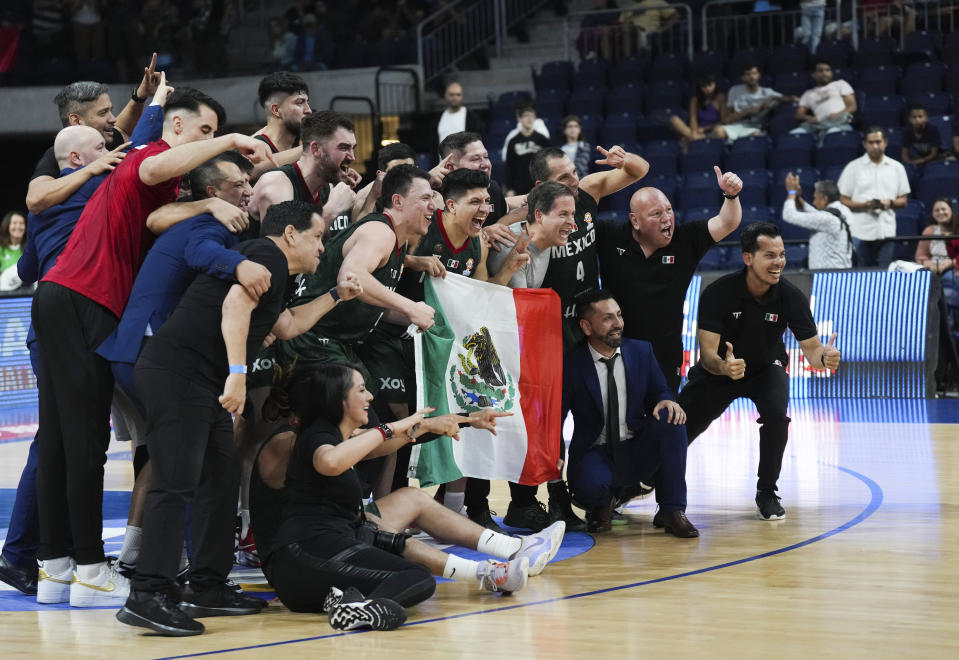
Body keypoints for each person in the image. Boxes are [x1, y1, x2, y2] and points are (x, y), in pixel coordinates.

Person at [32, 85, 275, 608]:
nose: (211, 143)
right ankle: (93, 569)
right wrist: (229, 139)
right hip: (85, 298)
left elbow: (158, 211)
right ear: (179, 128)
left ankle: (55, 568)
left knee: (59, 440)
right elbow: (154, 166)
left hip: (62, 296)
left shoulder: (156, 174)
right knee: (85, 443)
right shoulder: (149, 158)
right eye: (205, 131)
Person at [116, 201, 361, 636]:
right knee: (175, 482)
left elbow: (285, 325)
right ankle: (147, 593)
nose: (323, 246)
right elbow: (234, 308)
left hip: (197, 378)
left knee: (221, 475)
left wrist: (336, 295)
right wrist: (237, 375)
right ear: (290, 235)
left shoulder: (277, 273)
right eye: (318, 236)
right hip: (180, 373)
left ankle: (206, 585)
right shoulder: (266, 255)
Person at [254, 364, 565, 631]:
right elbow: (333, 460)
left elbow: (376, 445)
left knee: (398, 542)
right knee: (414, 575)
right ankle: (356, 606)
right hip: (296, 555)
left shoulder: (332, 435)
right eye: (362, 390)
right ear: (338, 399)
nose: (370, 398)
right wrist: (392, 428)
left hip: (330, 539)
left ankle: (492, 568)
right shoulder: (302, 440)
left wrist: (459, 419)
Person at [95, 152, 265, 577]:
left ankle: (153, 558)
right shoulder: (208, 225)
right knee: (187, 457)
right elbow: (200, 250)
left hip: (141, 352)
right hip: (148, 351)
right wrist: (240, 264)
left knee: (175, 454)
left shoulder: (198, 217)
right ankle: (164, 567)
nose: (247, 189)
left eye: (249, 182)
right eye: (238, 185)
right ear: (212, 192)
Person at [678, 222, 841, 521]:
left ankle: (766, 491)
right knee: (678, 427)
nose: (778, 261)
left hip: (767, 367)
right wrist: (724, 367)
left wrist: (825, 358)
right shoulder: (718, 292)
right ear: (748, 258)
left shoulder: (790, 296)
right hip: (722, 371)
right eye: (769, 255)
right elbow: (708, 354)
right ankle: (645, 481)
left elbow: (813, 350)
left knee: (777, 417)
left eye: (781, 254)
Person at [272, 164, 437, 380]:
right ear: (398, 201)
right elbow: (351, 278)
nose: (433, 206)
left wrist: (411, 316)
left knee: (366, 404)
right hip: (311, 340)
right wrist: (410, 307)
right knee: (359, 408)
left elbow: (369, 301)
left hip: (329, 342)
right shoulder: (380, 232)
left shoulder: (397, 239)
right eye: (425, 198)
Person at [563, 290, 697, 536]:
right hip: (596, 450)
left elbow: (660, 390)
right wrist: (554, 456)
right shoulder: (571, 363)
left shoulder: (641, 351)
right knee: (588, 485)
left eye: (619, 315)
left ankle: (672, 510)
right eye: (607, 318)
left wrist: (666, 400)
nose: (618, 324)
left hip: (636, 447)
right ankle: (601, 504)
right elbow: (556, 415)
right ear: (586, 326)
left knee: (673, 419)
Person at [26, 53, 163, 214]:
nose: (112, 119)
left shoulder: (107, 139)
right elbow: (35, 200)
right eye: (103, 113)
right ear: (76, 121)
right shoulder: (55, 155)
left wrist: (140, 95)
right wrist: (92, 168)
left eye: (110, 111)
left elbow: (122, 129)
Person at [250, 110, 359, 239]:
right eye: (344, 148)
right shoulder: (276, 185)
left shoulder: (327, 187)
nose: (352, 157)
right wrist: (331, 211)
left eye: (353, 148)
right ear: (316, 149)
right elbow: (285, 250)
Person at [837, 127, 910, 268]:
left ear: (885, 142)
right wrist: (866, 205)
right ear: (865, 144)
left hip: (886, 229)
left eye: (878, 141)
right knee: (861, 274)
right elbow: (842, 200)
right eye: (871, 142)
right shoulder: (853, 167)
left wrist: (889, 202)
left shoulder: (897, 167)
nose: (875, 146)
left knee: (884, 274)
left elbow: (904, 200)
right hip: (859, 230)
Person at [487, 181, 575, 289]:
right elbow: (519, 304)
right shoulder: (511, 249)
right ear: (539, 216)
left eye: (572, 214)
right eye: (563, 214)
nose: (572, 222)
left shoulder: (547, 234)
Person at [782, 173, 853, 269]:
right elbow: (816, 215)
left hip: (829, 278)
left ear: (824, 199)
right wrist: (798, 197)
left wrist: (791, 193)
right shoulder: (840, 212)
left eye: (815, 198)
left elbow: (789, 215)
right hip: (837, 274)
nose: (814, 202)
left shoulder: (827, 219)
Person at [250, 71, 312, 179]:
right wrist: (312, 148)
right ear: (276, 110)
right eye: (299, 102)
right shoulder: (253, 147)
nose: (308, 110)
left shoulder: (301, 142)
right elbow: (247, 171)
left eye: (307, 102)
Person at [721, 64, 790, 142]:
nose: (752, 77)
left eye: (754, 73)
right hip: (736, 125)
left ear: (758, 75)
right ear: (743, 78)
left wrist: (773, 97)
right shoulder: (734, 90)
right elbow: (726, 118)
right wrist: (747, 111)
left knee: (755, 137)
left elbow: (789, 98)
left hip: (754, 127)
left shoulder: (767, 92)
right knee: (718, 131)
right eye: (748, 74)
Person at [791, 61, 856, 143]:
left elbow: (852, 106)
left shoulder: (840, 84)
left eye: (827, 70)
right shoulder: (808, 93)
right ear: (814, 75)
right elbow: (798, 114)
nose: (824, 73)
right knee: (794, 134)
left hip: (839, 122)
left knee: (831, 134)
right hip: (819, 124)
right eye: (820, 70)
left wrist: (837, 114)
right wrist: (810, 118)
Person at [915, 198, 959, 316]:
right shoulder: (929, 231)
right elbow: (921, 256)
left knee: (949, 280)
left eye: (943, 209)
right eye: (937, 210)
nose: (940, 212)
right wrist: (931, 265)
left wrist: (949, 263)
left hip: (954, 267)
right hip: (933, 268)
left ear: (951, 210)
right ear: (933, 214)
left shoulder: (957, 228)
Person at [504, 103, 551, 196]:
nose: (529, 119)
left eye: (532, 116)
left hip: (540, 185)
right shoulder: (513, 141)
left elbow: (549, 162)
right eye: (526, 116)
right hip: (519, 186)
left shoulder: (543, 139)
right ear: (519, 119)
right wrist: (509, 188)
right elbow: (509, 166)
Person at [671, 74, 727, 144]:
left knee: (719, 131)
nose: (707, 88)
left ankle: (691, 139)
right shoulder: (695, 100)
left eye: (709, 85)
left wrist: (705, 129)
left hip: (713, 131)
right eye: (704, 86)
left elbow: (724, 121)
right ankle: (694, 138)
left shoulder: (721, 97)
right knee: (674, 120)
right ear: (700, 88)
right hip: (697, 131)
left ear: (714, 84)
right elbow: (693, 119)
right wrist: (695, 131)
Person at [436, 81, 485, 146]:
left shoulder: (472, 118)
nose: (455, 98)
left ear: (462, 96)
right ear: (445, 95)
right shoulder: (437, 119)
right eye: (451, 94)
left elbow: (479, 143)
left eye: (458, 94)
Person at [0, 211, 26, 290]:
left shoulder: (30, 249)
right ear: (7, 226)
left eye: (21, 223)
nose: (18, 226)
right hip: (5, 294)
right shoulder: (1, 249)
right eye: (14, 223)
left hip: (26, 292)